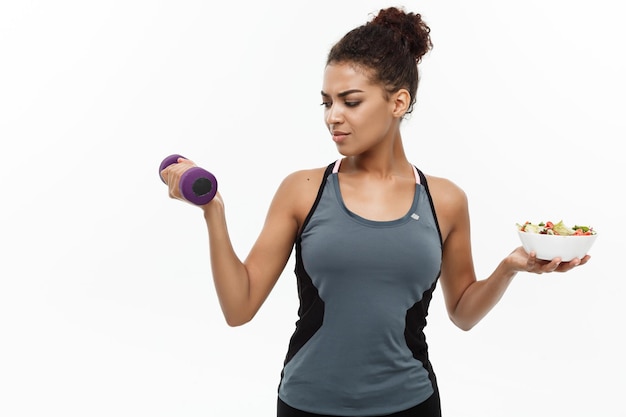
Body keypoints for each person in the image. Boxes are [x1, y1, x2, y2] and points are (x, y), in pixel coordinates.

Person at [160, 6, 590, 417]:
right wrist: (213, 213)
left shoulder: (445, 200)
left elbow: (462, 313)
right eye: (326, 102)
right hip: (307, 405)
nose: (333, 117)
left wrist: (509, 268)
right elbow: (239, 308)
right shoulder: (303, 190)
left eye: (350, 101)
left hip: (410, 404)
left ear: (398, 102)